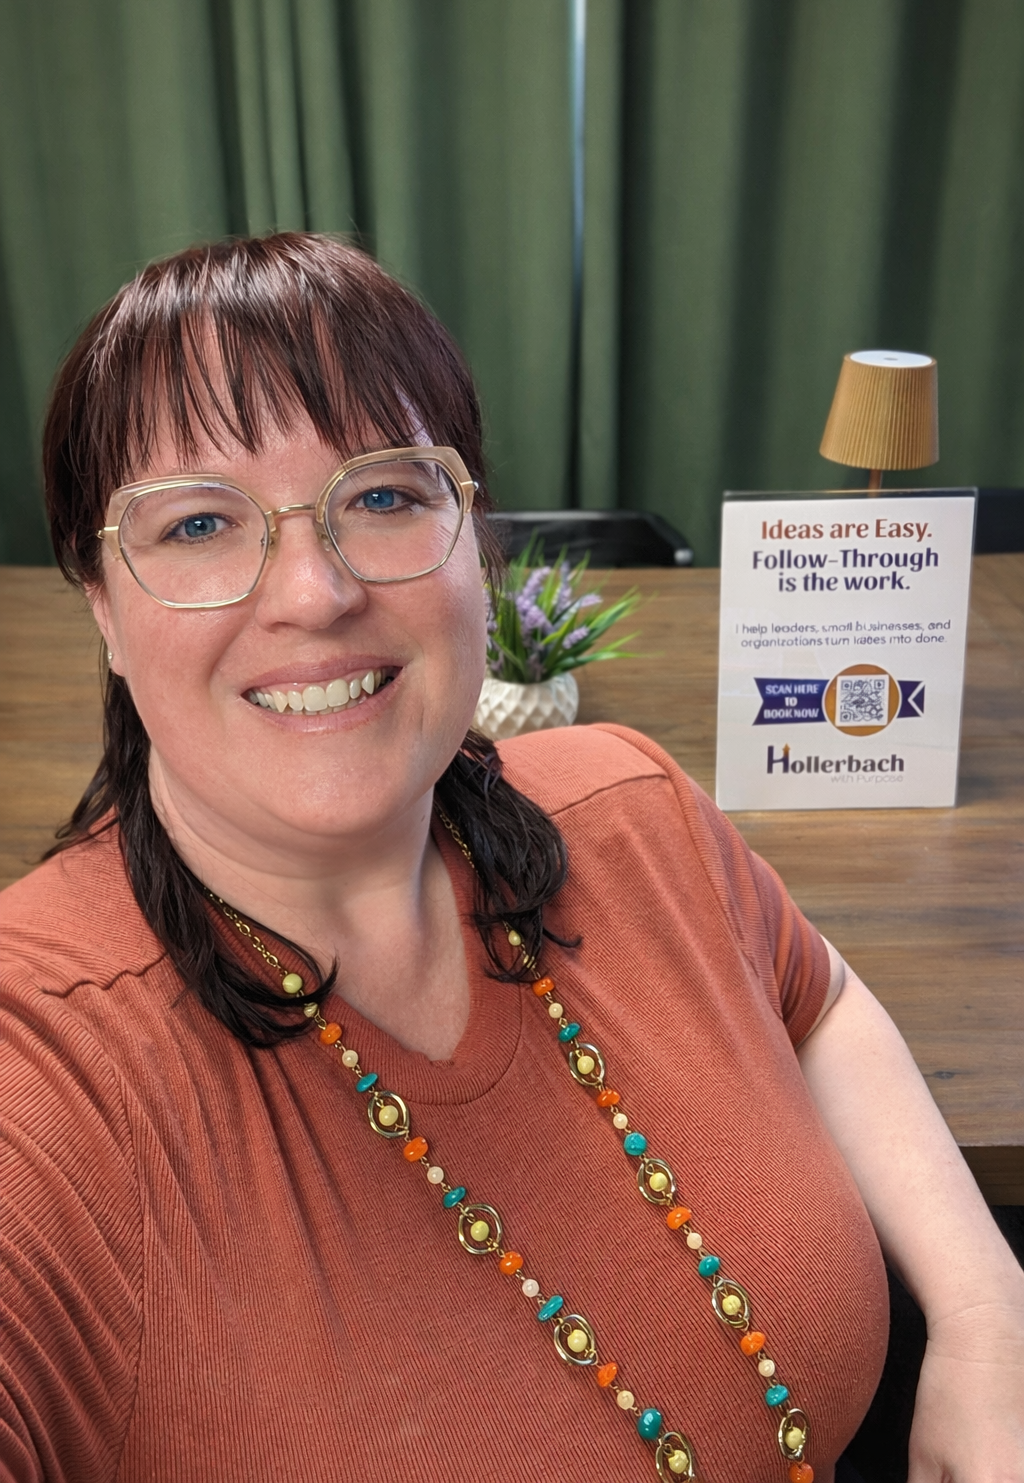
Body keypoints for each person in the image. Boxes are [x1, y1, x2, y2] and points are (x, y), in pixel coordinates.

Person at [0, 234, 1020, 1483]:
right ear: (102, 604)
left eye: (382, 494)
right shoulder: (45, 1065)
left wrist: (982, 1315)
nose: (314, 592)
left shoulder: (630, 807)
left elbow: (819, 1000)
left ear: (475, 538)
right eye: (199, 522)